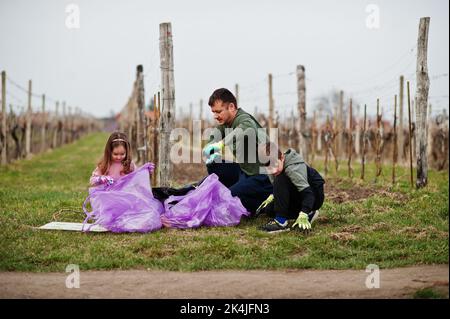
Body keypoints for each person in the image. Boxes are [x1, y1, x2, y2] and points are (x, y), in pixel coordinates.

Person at [203, 88, 273, 214]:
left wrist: (221, 144)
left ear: (231, 107)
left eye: (218, 111)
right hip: (245, 171)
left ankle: (264, 202)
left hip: (263, 176)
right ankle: (241, 193)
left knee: (229, 197)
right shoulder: (226, 123)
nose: (215, 116)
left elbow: (244, 128)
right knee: (214, 164)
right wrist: (209, 148)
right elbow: (215, 136)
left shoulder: (244, 119)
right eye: (213, 112)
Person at [256, 142, 325, 233]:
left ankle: (281, 223)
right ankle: (310, 214)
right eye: (268, 168)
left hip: (313, 196)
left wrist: (304, 213)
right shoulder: (273, 168)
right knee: (270, 210)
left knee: (280, 178)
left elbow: (308, 194)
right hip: (299, 194)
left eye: (275, 165)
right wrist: (274, 195)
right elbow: (282, 189)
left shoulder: (292, 168)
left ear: (282, 158)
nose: (273, 170)